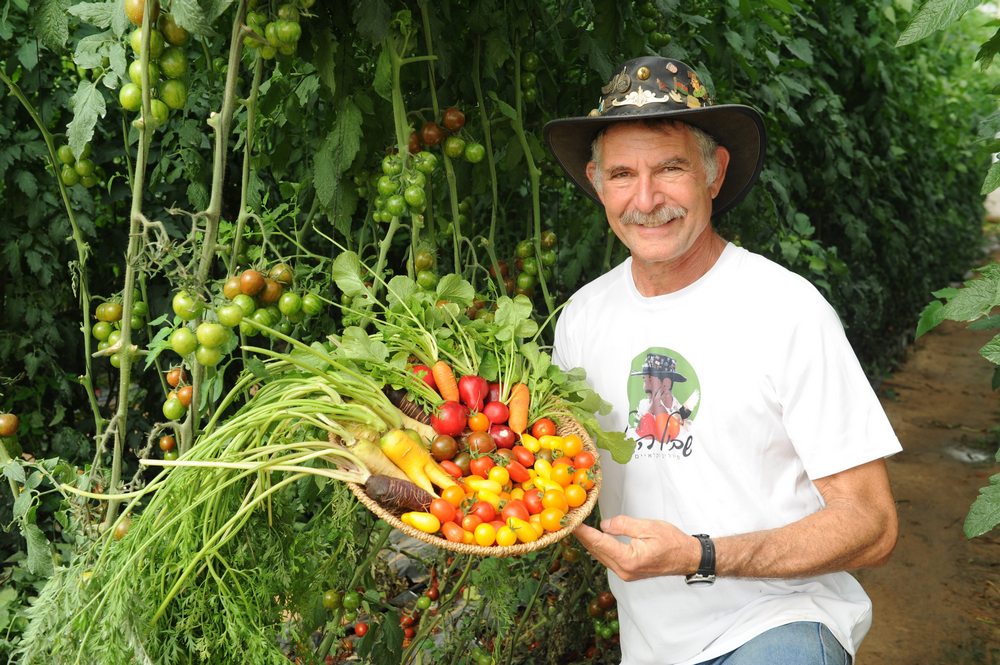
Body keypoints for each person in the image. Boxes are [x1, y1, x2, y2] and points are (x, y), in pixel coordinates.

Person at [544, 56, 901, 665]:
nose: (647, 198)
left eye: (671, 168)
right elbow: (560, 470)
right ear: (596, 181)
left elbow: (872, 524)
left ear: (715, 172)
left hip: (777, 625)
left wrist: (699, 554)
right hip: (652, 644)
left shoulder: (785, 309)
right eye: (624, 173)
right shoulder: (582, 317)